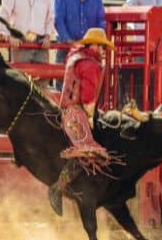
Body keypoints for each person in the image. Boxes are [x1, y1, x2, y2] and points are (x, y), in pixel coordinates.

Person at [48, 27, 114, 216]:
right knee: (89, 151)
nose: (103, 51)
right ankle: (58, 188)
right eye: (102, 47)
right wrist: (91, 119)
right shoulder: (91, 65)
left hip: (67, 109)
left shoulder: (74, 56)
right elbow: (88, 99)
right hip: (76, 113)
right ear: (92, 45)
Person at [53, 0, 106, 67]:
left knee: (88, 81)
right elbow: (58, 21)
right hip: (65, 48)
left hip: (90, 50)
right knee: (62, 80)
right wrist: (70, 42)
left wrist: (96, 43)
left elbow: (101, 23)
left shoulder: (97, 0)